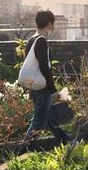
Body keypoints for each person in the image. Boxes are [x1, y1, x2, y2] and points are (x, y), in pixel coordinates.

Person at [24, 10, 70, 145]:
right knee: (38, 121)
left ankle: (65, 143)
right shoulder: (41, 41)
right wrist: (53, 90)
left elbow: (30, 68)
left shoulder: (31, 40)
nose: (53, 27)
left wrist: (30, 90)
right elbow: (45, 68)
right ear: (49, 24)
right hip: (43, 88)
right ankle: (22, 150)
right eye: (53, 24)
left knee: (48, 118)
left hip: (36, 86)